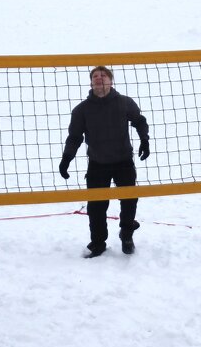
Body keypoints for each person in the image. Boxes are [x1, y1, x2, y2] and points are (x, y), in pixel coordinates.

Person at [59, 65, 151, 257]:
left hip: (123, 161)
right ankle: (98, 243)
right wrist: (67, 158)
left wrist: (144, 140)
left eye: (103, 75)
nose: (99, 78)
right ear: (91, 82)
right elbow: (74, 137)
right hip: (97, 164)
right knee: (96, 207)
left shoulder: (124, 102)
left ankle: (127, 234)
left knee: (129, 201)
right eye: (95, 76)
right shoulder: (81, 110)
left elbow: (139, 121)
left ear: (111, 80)